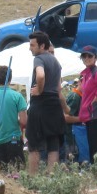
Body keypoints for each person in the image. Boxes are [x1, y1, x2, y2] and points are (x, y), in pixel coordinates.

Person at [26, 31, 64, 174]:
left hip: (40, 104)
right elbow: (59, 87)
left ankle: (33, 179)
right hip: (54, 105)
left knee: (34, 144)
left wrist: (39, 90)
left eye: (32, 45)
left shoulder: (39, 59)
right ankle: (52, 178)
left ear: (42, 46)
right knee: (53, 145)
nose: (30, 48)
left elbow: (40, 75)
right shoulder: (56, 62)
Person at [0, 64, 27, 169]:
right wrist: (12, 120)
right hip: (13, 140)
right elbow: (24, 121)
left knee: (0, 174)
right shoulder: (17, 96)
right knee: (16, 173)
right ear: (10, 78)